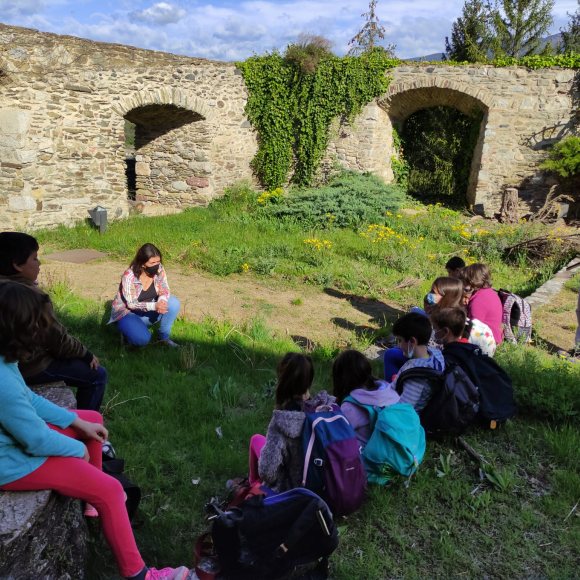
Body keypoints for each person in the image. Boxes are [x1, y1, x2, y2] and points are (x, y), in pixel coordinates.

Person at [0, 282, 190, 580]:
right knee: (111, 489)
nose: (42, 332)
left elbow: (29, 399)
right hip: (11, 463)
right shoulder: (1, 379)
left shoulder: (3, 361)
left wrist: (78, 423)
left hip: (14, 443)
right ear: (19, 329)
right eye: (37, 325)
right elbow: (35, 440)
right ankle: (139, 574)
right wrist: (79, 452)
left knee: (89, 418)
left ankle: (92, 506)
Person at [0, 232, 107, 411]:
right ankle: (85, 425)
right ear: (17, 265)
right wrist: (86, 355)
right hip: (29, 366)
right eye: (34, 258)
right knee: (97, 375)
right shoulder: (32, 298)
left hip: (7, 364)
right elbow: (57, 340)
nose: (39, 263)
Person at [248, 353, 335, 492]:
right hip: (326, 486)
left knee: (256, 440)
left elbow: (267, 472)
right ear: (309, 379)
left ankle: (252, 486)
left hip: (294, 492)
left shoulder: (282, 421)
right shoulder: (327, 408)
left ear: (283, 380)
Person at [110, 244, 180, 347]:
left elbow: (164, 288)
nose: (157, 265)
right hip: (128, 313)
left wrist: (161, 300)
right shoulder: (129, 276)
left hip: (148, 311)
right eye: (152, 263)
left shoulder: (159, 269)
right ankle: (129, 333)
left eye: (158, 261)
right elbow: (131, 304)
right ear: (142, 263)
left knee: (173, 303)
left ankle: (163, 338)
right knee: (143, 340)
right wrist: (155, 306)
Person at [332, 349, 399, 446]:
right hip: (398, 449)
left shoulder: (350, 407)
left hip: (370, 457)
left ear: (341, 379)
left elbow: (335, 435)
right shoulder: (390, 393)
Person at [391, 313, 445, 413]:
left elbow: (402, 409)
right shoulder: (437, 355)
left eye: (400, 340)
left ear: (412, 341)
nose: (398, 345)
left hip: (405, 419)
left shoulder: (415, 375)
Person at [460, 263, 504, 345]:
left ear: (472, 281)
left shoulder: (479, 301)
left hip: (487, 341)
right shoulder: (489, 292)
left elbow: (473, 327)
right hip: (492, 336)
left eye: (465, 281)